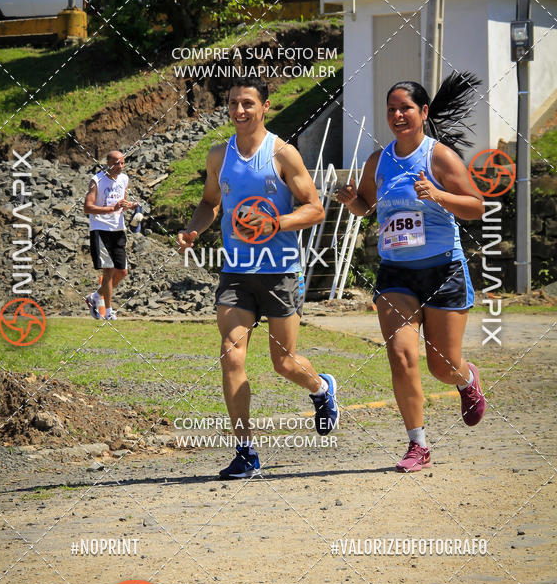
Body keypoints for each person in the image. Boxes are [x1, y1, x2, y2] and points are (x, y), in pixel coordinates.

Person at [177, 77, 338, 479]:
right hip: (236, 273)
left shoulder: (283, 154)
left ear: (265, 106)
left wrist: (275, 223)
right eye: (233, 104)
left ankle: (321, 389)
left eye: (248, 103)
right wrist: (194, 230)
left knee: (283, 362)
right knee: (231, 355)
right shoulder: (219, 156)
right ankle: (246, 453)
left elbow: (315, 208)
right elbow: (209, 203)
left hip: (281, 271)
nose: (239, 111)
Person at [338, 72, 486, 472]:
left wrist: (437, 194)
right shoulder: (378, 160)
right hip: (396, 274)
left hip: (442, 270)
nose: (398, 115)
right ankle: (417, 444)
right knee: (402, 356)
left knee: (442, 366)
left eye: (405, 108)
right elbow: (367, 207)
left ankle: (466, 379)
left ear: (422, 112)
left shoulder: (439, 157)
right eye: (391, 109)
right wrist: (353, 201)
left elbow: (476, 206)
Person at [84, 150, 135, 321]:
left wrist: (128, 205)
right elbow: (87, 207)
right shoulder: (96, 181)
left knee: (122, 272)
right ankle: (109, 311)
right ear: (108, 163)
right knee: (109, 270)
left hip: (118, 229)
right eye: (116, 163)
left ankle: (96, 296)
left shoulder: (124, 179)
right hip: (101, 228)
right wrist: (110, 209)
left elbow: (122, 202)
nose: (120, 167)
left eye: (122, 163)